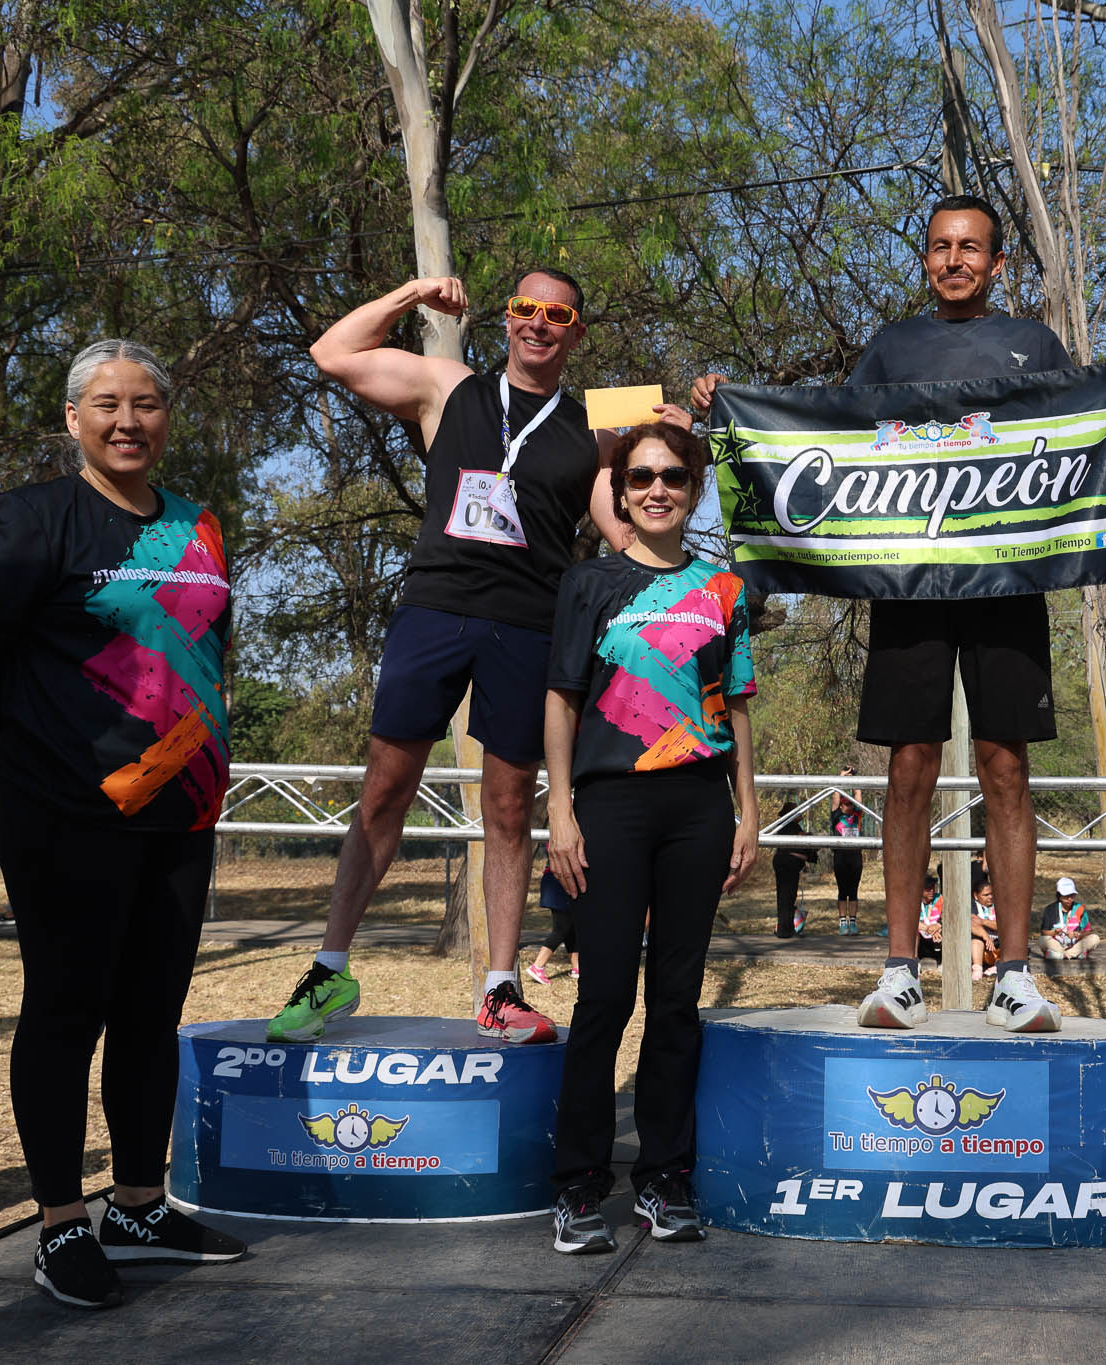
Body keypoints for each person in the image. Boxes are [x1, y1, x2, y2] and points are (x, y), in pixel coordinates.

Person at [693, 193, 1106, 1033]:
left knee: (1006, 769)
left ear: (997, 262)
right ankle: (898, 974)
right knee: (908, 767)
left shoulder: (1034, 343)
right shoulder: (892, 345)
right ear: (925, 259)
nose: (955, 260)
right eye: (941, 247)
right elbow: (828, 436)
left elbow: (1087, 429)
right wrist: (729, 407)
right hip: (907, 586)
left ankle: (1014, 976)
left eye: (971, 247)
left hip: (1007, 586)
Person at [268, 271, 689, 1047]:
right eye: (525, 308)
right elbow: (332, 352)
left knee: (508, 806)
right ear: (506, 317)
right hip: (434, 610)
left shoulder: (598, 422)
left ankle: (500, 987)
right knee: (384, 790)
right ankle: (330, 969)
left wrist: (692, 436)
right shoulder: (448, 385)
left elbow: (631, 527)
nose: (538, 323)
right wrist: (411, 294)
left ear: (576, 331)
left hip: (528, 624)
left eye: (556, 313)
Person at [0, 338, 247, 1309]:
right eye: (107, 404)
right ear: (72, 419)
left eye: (146, 403)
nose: (128, 421)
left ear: (168, 415)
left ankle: (138, 1207)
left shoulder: (199, 526)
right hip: (65, 809)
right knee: (65, 1008)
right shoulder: (32, 518)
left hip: (184, 810)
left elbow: (209, 654)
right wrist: (32, 750)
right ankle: (58, 1225)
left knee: (151, 1011)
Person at [542, 422, 758, 1253]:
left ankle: (665, 1177)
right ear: (622, 493)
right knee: (604, 997)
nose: (657, 488)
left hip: (699, 807)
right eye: (640, 477)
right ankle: (577, 1185)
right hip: (610, 806)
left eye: (672, 475)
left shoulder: (724, 588)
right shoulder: (589, 582)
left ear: (694, 489)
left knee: (677, 1001)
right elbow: (561, 698)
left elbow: (736, 704)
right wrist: (561, 809)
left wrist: (748, 809)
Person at [769, 799, 818, 938]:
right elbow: (803, 839)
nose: (800, 812)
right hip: (787, 864)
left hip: (790, 864)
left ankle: (787, 927)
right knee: (786, 896)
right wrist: (810, 838)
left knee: (788, 896)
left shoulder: (791, 826)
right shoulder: (787, 825)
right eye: (797, 810)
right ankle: (784, 929)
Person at [1038, 876, 1102, 976]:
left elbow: (1088, 931)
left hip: (1075, 944)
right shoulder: (1050, 909)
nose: (1069, 899)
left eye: (1072, 895)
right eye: (1066, 896)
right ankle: (1075, 954)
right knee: (1042, 940)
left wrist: (1077, 934)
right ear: (1059, 896)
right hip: (1057, 943)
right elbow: (1044, 932)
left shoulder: (1080, 909)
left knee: (1095, 938)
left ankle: (1062, 955)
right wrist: (1055, 932)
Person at [526, 869, 578, 982]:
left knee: (569, 927)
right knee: (562, 928)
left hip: (560, 881)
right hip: (559, 881)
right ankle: (537, 966)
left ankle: (576, 968)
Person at [829, 777, 864, 935]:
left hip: (855, 856)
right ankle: (843, 922)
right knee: (843, 890)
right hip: (840, 857)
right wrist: (841, 777)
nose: (849, 806)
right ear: (841, 805)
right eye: (846, 804)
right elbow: (835, 797)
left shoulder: (857, 815)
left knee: (854, 891)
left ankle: (853, 922)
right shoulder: (836, 816)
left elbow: (858, 795)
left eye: (851, 804)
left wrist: (855, 779)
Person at [968, 879, 1000, 979]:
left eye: (991, 894)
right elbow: (971, 923)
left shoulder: (999, 905)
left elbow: (1004, 925)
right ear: (976, 896)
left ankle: (998, 966)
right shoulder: (972, 905)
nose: (990, 897)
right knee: (976, 940)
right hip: (982, 946)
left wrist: (983, 922)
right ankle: (977, 969)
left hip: (998, 945)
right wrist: (985, 936)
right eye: (986, 895)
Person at [916, 874, 945, 962]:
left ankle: (943, 959)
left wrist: (939, 925)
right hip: (921, 936)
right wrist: (927, 928)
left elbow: (947, 915)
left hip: (938, 935)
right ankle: (914, 959)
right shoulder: (914, 901)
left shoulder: (940, 898)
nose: (931, 891)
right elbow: (910, 922)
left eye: (933, 887)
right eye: (928, 889)